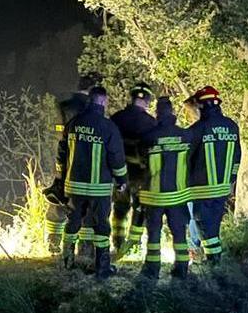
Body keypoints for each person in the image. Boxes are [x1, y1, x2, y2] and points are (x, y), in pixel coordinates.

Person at [59, 86, 129, 279]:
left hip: (74, 186)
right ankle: (102, 267)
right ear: (104, 102)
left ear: (89, 100)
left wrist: (61, 177)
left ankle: (67, 262)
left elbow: (62, 154)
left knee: (72, 223)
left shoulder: (74, 123)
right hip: (99, 189)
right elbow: (116, 158)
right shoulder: (108, 127)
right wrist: (122, 180)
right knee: (101, 226)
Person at [43, 72, 102, 254]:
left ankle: (53, 244)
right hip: (83, 163)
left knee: (58, 199)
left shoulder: (63, 106)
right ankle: (84, 249)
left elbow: (55, 135)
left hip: (60, 161)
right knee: (84, 204)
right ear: (93, 90)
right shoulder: (91, 109)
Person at [137, 97, 196, 278]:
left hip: (154, 195)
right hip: (178, 195)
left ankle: (152, 270)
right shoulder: (186, 136)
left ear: (157, 113)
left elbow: (141, 162)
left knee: (154, 234)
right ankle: (182, 268)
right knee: (179, 233)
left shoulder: (148, 137)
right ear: (172, 113)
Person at [185, 86, 241, 266]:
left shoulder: (197, 129)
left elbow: (186, 159)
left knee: (203, 227)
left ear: (201, 106)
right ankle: (213, 260)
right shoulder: (232, 126)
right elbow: (237, 158)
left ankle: (213, 261)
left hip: (201, 189)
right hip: (223, 188)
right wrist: (231, 181)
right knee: (213, 227)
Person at [109, 83, 157, 257]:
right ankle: (133, 245)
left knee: (120, 209)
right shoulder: (151, 122)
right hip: (142, 176)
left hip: (120, 174)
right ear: (148, 101)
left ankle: (118, 243)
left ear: (131, 98)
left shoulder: (117, 118)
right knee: (140, 209)